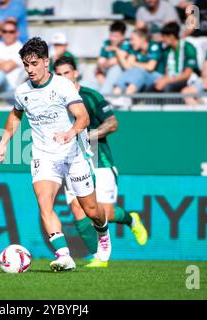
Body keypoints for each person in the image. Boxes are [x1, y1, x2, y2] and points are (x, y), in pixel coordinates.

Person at [0, 37, 112, 271]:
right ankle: (64, 255)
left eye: (34, 63)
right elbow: (16, 115)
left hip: (73, 155)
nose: (30, 69)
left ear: (46, 62)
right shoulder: (22, 91)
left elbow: (83, 118)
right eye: (26, 65)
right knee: (44, 203)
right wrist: (3, 143)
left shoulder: (62, 86)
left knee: (91, 210)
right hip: (43, 156)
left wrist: (70, 133)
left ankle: (104, 234)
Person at [54, 56, 148, 268]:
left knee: (103, 211)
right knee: (78, 209)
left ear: (75, 73)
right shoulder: (55, 99)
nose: (63, 77)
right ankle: (99, 256)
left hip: (99, 160)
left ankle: (132, 219)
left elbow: (112, 123)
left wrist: (86, 135)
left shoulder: (89, 96)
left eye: (66, 72)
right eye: (58, 74)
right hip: (71, 161)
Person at [113, 27, 164, 107]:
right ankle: (115, 95)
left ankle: (127, 97)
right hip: (143, 77)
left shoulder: (154, 46)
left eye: (133, 39)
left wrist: (134, 63)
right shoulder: (135, 50)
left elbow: (150, 67)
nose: (131, 42)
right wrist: (121, 56)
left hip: (158, 77)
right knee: (131, 71)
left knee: (138, 70)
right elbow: (128, 68)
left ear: (142, 39)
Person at [148, 22, 199, 93]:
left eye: (164, 37)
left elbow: (187, 74)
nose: (162, 40)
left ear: (171, 36)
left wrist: (168, 80)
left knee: (168, 86)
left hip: (186, 80)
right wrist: (162, 80)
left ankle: (169, 104)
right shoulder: (167, 50)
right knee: (152, 87)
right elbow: (167, 72)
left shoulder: (188, 48)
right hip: (172, 78)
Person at [96, 21, 130, 95]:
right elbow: (100, 64)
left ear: (123, 36)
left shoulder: (128, 44)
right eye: (111, 35)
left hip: (122, 75)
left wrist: (115, 49)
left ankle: (104, 97)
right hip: (106, 74)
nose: (112, 39)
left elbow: (116, 61)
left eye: (116, 36)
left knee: (116, 68)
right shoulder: (106, 43)